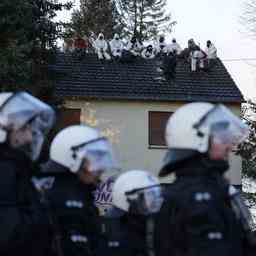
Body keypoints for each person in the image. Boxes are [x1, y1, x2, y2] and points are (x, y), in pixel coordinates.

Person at [156, 102, 256, 256]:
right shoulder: (198, 196)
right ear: (198, 139)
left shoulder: (208, 187)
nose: (229, 146)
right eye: (221, 138)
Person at [41, 125, 119, 256]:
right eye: (94, 158)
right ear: (71, 157)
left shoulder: (84, 194)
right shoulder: (51, 195)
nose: (100, 168)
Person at [0, 91, 55, 256]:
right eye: (24, 128)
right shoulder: (5, 172)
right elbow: (12, 234)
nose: (30, 137)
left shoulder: (19, 169)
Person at [99, 170, 163, 256]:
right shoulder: (109, 229)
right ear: (127, 199)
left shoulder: (151, 222)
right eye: (146, 196)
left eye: (154, 195)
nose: (152, 202)